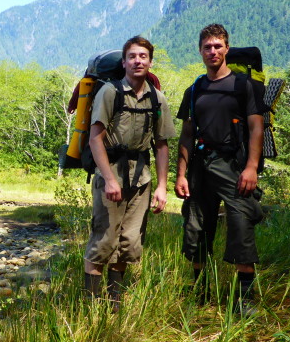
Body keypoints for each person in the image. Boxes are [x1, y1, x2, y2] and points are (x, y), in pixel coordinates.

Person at [175, 24, 266, 315]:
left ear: (226, 48)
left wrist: (251, 167)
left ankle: (244, 298)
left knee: (241, 223)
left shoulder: (243, 86)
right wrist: (181, 174)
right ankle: (199, 292)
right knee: (196, 225)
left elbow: (256, 127)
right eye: (207, 47)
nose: (212, 51)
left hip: (235, 166)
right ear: (200, 51)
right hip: (201, 166)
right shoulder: (194, 90)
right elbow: (187, 134)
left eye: (217, 46)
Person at [83, 36, 175, 306]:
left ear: (150, 62)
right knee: (103, 241)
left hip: (141, 178)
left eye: (143, 56)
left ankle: (114, 305)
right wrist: (110, 180)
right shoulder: (110, 92)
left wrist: (161, 186)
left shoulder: (157, 98)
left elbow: (161, 145)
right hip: (110, 174)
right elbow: (95, 138)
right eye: (133, 56)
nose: (138, 61)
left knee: (130, 243)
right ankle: (90, 306)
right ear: (124, 62)